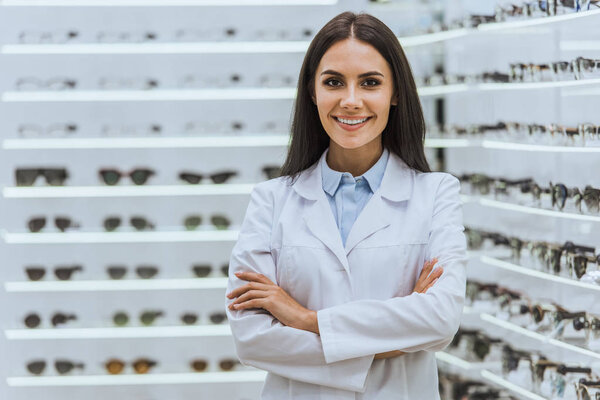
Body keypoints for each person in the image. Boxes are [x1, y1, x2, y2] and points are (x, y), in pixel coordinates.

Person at [224, 11, 467, 400]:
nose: (351, 101)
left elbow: (439, 320)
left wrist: (306, 319)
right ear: (312, 91)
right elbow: (253, 339)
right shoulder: (271, 200)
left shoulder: (435, 194)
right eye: (334, 82)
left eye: (370, 83)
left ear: (396, 93)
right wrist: (395, 337)